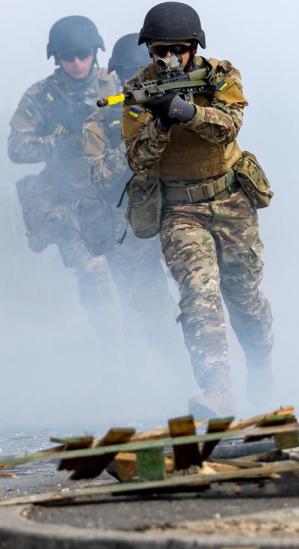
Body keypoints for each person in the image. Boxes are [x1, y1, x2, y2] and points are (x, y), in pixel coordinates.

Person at [121, 2, 276, 418]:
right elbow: (138, 159)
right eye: (158, 51)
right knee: (199, 294)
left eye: (176, 50)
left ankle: (260, 360)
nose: (167, 59)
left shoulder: (221, 75)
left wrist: (187, 112)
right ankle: (217, 387)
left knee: (245, 297)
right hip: (179, 210)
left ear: (193, 47)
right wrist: (160, 123)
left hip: (231, 200)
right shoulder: (139, 90)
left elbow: (228, 126)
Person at [7, 15, 122, 341]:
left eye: (83, 55)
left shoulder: (113, 87)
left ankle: (150, 355)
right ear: (55, 57)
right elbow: (16, 148)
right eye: (67, 57)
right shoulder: (41, 96)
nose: (76, 63)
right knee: (93, 274)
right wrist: (62, 142)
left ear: (95, 52)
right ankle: (112, 353)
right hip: (68, 200)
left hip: (113, 198)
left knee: (135, 282)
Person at [83, 33, 181, 363]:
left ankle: (214, 369)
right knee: (150, 307)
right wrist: (137, 142)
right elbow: (98, 177)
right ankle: (179, 372)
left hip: (181, 213)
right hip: (132, 224)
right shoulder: (103, 120)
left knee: (200, 294)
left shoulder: (180, 106)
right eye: (129, 73)